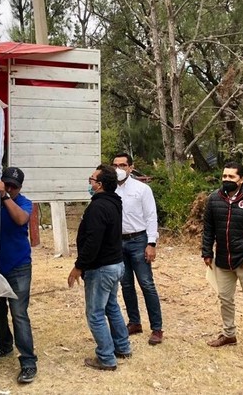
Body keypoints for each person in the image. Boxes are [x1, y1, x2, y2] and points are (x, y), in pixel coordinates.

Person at [201, 161, 243, 360]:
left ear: (242, 179)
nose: (226, 180)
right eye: (224, 176)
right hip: (223, 260)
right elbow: (209, 229)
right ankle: (229, 334)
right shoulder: (214, 199)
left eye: (231, 177)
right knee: (224, 299)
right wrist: (207, 252)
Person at [68, 164, 131, 371]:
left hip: (102, 268)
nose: (89, 182)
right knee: (111, 305)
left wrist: (79, 267)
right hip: (115, 265)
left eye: (92, 179)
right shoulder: (114, 202)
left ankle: (106, 357)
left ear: (100, 185)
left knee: (95, 313)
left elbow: (93, 242)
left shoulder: (98, 207)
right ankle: (122, 347)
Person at [0, 167, 38, 384]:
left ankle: (28, 362)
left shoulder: (24, 202)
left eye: (13, 187)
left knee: (19, 314)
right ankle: (4, 344)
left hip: (18, 266)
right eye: (5, 184)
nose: (8, 188)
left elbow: (20, 219)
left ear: (19, 188)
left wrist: (5, 197)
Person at [112, 153, 163, 345]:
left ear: (131, 168)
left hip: (138, 240)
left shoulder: (142, 189)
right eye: (116, 165)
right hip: (118, 242)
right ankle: (134, 322)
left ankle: (157, 328)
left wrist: (151, 243)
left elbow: (151, 216)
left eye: (123, 165)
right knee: (125, 284)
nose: (119, 169)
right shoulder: (110, 189)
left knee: (146, 283)